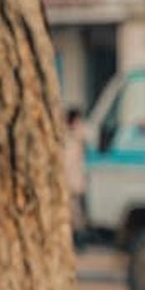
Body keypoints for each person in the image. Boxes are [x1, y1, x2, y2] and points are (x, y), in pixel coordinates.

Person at [62, 107, 89, 249]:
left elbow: (86, 135)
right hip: (66, 180)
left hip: (76, 181)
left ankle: (80, 239)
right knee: (69, 213)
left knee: (77, 213)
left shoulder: (80, 133)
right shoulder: (64, 134)